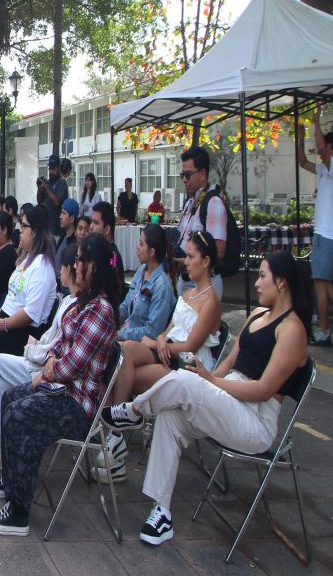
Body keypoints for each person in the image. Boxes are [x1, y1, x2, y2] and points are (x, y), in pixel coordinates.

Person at [101, 250, 311, 546]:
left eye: (263, 276)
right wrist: (212, 381)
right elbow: (229, 364)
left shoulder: (292, 330)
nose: (258, 283)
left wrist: (210, 381)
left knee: (188, 381)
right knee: (171, 415)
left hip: (254, 420)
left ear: (282, 283)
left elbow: (264, 389)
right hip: (229, 400)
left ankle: (135, 410)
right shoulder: (257, 315)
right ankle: (161, 512)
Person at [0, 234, 121, 536]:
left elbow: (71, 365)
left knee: (22, 415)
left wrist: (47, 372)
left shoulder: (102, 310)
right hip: (60, 390)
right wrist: (51, 367)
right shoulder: (83, 303)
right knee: (10, 399)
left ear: (94, 267)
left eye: (81, 259)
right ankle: (13, 482)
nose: (75, 265)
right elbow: (62, 347)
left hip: (77, 405)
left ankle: (19, 512)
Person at [95, 231, 221, 483]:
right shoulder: (187, 295)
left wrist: (161, 343)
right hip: (167, 354)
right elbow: (167, 331)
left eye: (192, 257)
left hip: (187, 368)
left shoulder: (211, 302)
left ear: (206, 261)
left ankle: (115, 434)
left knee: (124, 364)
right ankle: (117, 439)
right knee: (123, 357)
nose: (185, 261)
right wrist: (161, 341)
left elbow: (191, 344)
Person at [0, 243, 80, 465]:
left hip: (50, 371)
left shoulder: (69, 297)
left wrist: (42, 354)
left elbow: (55, 341)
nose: (59, 272)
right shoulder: (66, 300)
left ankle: (0, 438)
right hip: (42, 357)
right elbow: (54, 339)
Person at [0, 206, 58, 423]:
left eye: (23, 226)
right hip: (11, 319)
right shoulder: (27, 260)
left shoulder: (42, 267)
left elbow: (30, 314)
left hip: (27, 332)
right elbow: (14, 293)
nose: (19, 230)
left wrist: (4, 323)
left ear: (34, 231)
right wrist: (0, 313)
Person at [296, 104, 332, 345]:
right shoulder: (325, 171)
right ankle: (324, 327)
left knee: (321, 282)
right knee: (324, 283)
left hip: (327, 234)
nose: (322, 152)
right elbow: (303, 162)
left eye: (326, 148)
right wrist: (299, 140)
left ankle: (323, 329)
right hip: (325, 234)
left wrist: (316, 120)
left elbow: (319, 148)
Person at [175, 145, 228, 298]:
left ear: (203, 174)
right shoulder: (189, 203)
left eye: (188, 175)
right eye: (182, 175)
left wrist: (188, 260)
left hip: (204, 284)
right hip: (185, 280)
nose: (184, 180)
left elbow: (218, 251)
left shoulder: (213, 203)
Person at [118, 224, 176, 342]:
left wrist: (120, 334)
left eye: (141, 243)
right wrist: (110, 318)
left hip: (143, 346)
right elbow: (126, 305)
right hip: (127, 333)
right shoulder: (142, 270)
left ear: (151, 252)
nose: (137, 247)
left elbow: (152, 332)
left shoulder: (161, 286)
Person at [90, 201, 124, 289]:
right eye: (91, 222)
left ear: (107, 229)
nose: (91, 226)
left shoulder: (112, 255)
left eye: (96, 223)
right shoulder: (97, 250)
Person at [37, 155, 69, 232]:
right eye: (50, 169)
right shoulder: (47, 182)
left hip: (57, 228)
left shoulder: (62, 182)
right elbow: (39, 201)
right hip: (46, 227)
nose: (51, 171)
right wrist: (39, 189)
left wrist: (46, 188)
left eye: (53, 169)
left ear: (58, 168)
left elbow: (57, 203)